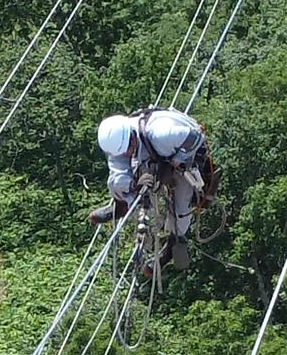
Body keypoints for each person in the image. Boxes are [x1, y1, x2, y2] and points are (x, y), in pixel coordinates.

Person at [87, 106, 217, 270]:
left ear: (132, 137)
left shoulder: (163, 133)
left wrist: (175, 161)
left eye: (129, 149)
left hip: (184, 155)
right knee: (116, 182)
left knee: (181, 207)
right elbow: (118, 171)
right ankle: (122, 206)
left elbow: (195, 137)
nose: (127, 154)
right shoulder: (117, 144)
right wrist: (133, 185)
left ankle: (174, 243)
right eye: (124, 152)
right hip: (153, 151)